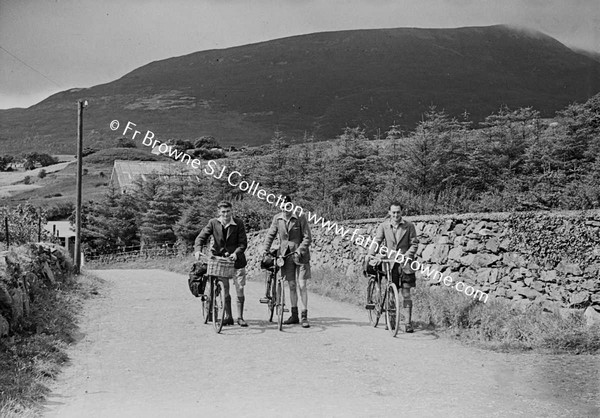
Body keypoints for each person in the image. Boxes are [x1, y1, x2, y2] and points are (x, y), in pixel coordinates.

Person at [194, 201, 249, 327]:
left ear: (231, 211)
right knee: (225, 288)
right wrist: (198, 250)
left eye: (228, 211)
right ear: (219, 212)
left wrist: (236, 253)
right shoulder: (213, 223)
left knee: (239, 288)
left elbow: (243, 243)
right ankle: (228, 316)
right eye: (223, 212)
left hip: (236, 260)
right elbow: (201, 237)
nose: (226, 214)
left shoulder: (238, 223)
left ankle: (240, 317)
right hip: (221, 261)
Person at [367, 202, 419, 333]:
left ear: (402, 212)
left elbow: (414, 244)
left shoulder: (409, 226)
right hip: (391, 264)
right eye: (393, 212)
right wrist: (370, 254)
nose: (396, 215)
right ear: (389, 212)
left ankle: (407, 323)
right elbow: (377, 240)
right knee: (391, 292)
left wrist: (407, 255)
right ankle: (391, 320)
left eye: (398, 212)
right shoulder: (384, 226)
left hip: (406, 264)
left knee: (406, 294)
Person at [262, 195, 312, 328]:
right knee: (291, 285)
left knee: (302, 285)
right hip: (285, 256)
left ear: (292, 205)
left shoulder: (300, 217)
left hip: (300, 256)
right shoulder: (277, 218)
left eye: (288, 206)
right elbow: (271, 235)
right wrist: (265, 250)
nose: (286, 209)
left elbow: (307, 237)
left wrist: (300, 250)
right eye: (283, 206)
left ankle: (304, 316)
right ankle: (294, 314)